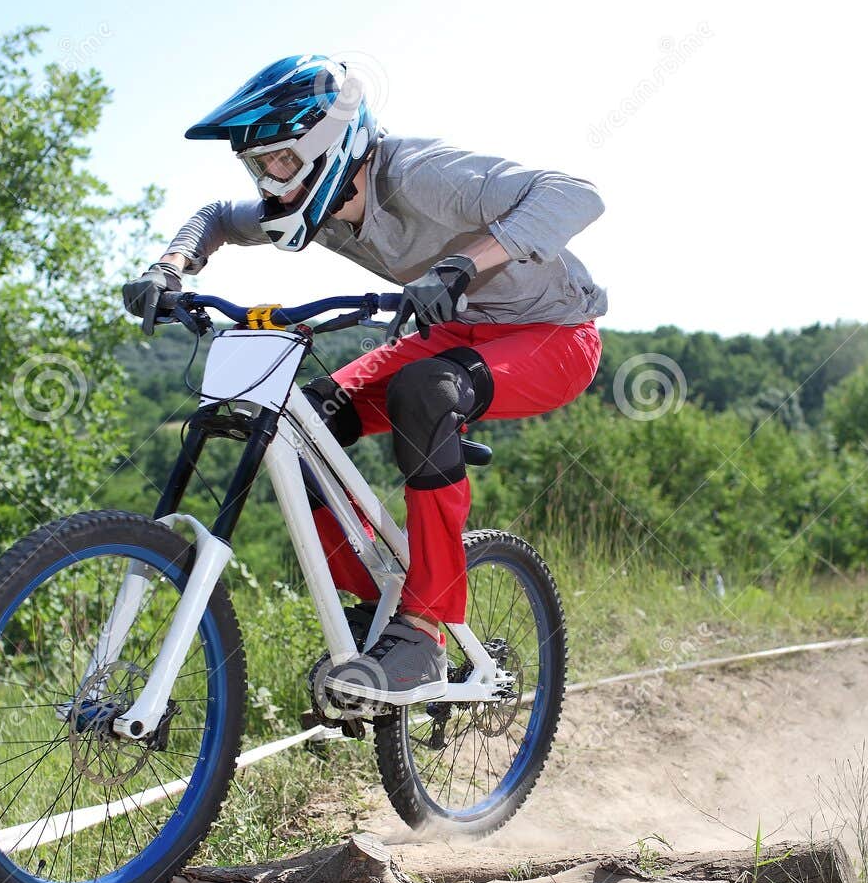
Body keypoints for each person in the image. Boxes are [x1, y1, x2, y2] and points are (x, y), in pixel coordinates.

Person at [123, 54, 606, 705]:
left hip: (552, 332)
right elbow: (213, 218)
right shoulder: (305, 206)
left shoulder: (419, 175)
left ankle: (423, 631)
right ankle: (383, 605)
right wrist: (170, 267)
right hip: (451, 327)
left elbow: (576, 194)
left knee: (423, 392)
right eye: (258, 166)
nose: (268, 182)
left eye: (281, 162)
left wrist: (463, 264)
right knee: (302, 427)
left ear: (330, 148)